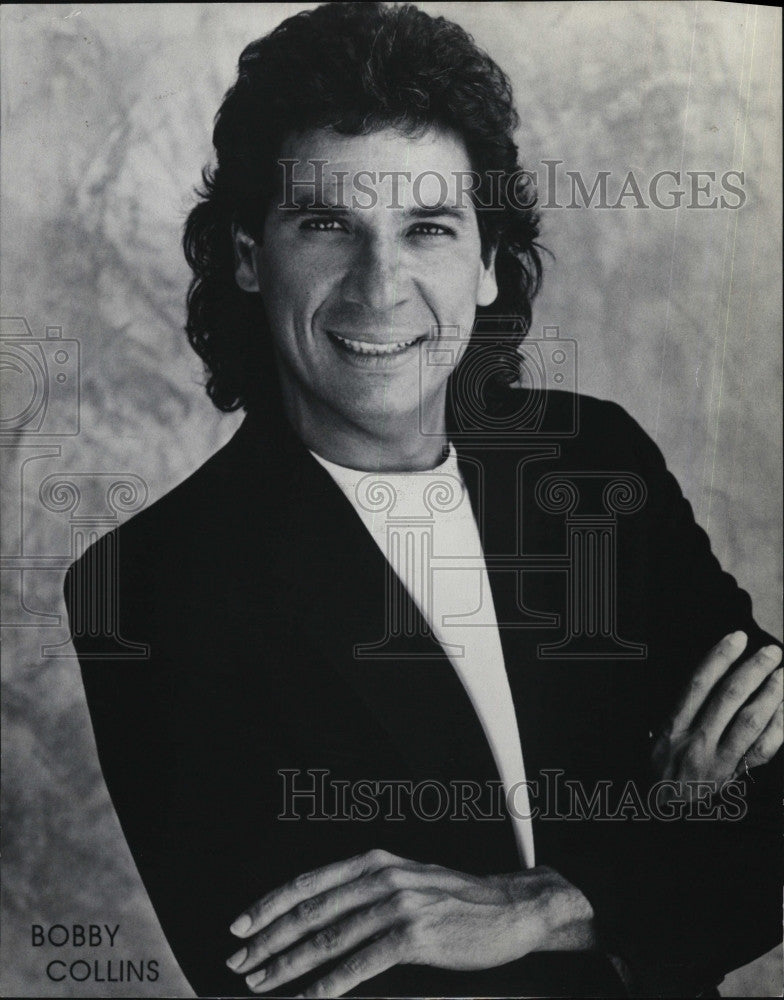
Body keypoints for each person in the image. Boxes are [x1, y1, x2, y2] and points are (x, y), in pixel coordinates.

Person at [64, 3, 782, 997]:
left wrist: (537, 903)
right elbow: (301, 978)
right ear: (243, 253)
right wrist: (667, 835)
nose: (380, 285)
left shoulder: (592, 462)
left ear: (487, 262)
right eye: (326, 224)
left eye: (428, 227)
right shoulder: (149, 587)